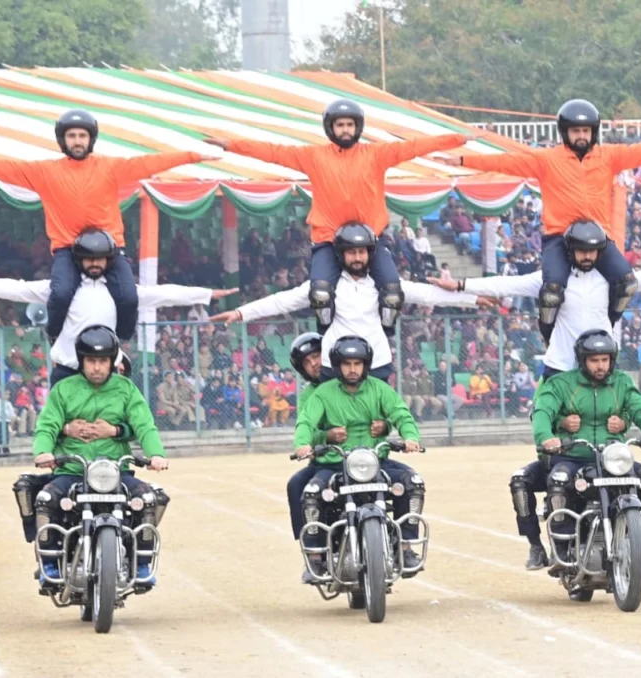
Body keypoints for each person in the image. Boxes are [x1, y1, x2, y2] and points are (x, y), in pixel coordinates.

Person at [0, 109, 219, 343]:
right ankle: (54, 333)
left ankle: (121, 341)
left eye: (83, 135)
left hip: (109, 250)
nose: (78, 141)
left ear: (91, 139)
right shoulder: (44, 172)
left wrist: (192, 156)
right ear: (63, 140)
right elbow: (1, 167)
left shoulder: (109, 167)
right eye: (72, 136)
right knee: (60, 293)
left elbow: (148, 163)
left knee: (129, 296)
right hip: (68, 251)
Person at [443, 99, 641, 343]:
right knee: (551, 289)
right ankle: (547, 329)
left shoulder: (609, 156)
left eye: (586, 131)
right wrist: (464, 160)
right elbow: (505, 162)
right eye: (576, 131)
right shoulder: (546, 159)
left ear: (593, 132)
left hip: (598, 238)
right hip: (559, 237)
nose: (581, 136)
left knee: (627, 282)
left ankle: (610, 320)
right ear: (565, 132)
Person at [204, 100, 470, 335]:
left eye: (350, 124)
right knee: (319, 291)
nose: (345, 129)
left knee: (391, 291)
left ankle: (387, 328)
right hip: (328, 240)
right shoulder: (313, 156)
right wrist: (231, 145)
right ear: (331, 128)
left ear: (358, 127)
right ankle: (326, 328)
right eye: (340, 124)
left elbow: (414, 147)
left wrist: (456, 139)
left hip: (369, 241)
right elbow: (273, 152)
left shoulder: (377, 154)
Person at [429, 220, 641, 380]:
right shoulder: (551, 280)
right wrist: (459, 285)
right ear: (571, 251)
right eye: (582, 251)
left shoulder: (610, 279)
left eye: (593, 251)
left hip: (600, 365)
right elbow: (507, 284)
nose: (588, 256)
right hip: (560, 366)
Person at [0, 228, 238, 385]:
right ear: (79, 260)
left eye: (100, 259)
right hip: (68, 371)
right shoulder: (61, 289)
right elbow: (17, 288)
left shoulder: (121, 291)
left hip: (108, 371)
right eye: (88, 259)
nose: (94, 264)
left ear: (109, 260)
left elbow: (165, 294)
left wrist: (208, 294)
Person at [210, 222, 495, 381]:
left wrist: (473, 299)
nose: (357, 258)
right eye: (351, 252)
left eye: (363, 252)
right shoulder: (326, 286)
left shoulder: (384, 286)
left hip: (378, 364)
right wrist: (240, 313)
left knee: (377, 434)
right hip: (334, 366)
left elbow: (429, 294)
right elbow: (281, 301)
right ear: (340, 255)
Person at [18, 326, 170, 587]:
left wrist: (155, 454)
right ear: (81, 361)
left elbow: (144, 424)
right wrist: (44, 451)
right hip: (71, 471)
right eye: (91, 361)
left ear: (112, 362)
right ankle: (49, 562)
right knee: (45, 499)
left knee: (148, 498)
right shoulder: (64, 390)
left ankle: (142, 562)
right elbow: (47, 425)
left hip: (115, 471)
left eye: (103, 361)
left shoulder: (126, 389)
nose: (97, 367)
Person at [530, 330, 641, 576]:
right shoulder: (561, 384)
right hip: (574, 456)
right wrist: (548, 438)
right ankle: (562, 547)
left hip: (613, 457)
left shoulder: (622, 383)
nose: (600, 366)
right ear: (583, 360)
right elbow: (543, 412)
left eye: (605, 360)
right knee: (559, 480)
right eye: (594, 360)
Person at [293, 335, 425, 583]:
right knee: (311, 493)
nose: (352, 369)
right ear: (337, 365)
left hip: (375, 461)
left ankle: (406, 547)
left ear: (366, 365)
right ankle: (316, 557)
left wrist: (410, 437)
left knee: (413, 482)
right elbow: (306, 422)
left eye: (357, 363)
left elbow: (401, 413)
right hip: (334, 463)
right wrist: (302, 444)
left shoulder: (380, 389)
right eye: (346, 364)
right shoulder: (322, 393)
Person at [284, 332, 390, 542]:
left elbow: (383, 414)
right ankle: (312, 546)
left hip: (364, 458)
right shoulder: (310, 395)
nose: (314, 364)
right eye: (307, 362)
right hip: (328, 459)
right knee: (296, 485)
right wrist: (325, 437)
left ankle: (402, 541)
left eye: (317, 356)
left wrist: (385, 427)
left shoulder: (358, 383)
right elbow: (306, 429)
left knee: (405, 482)